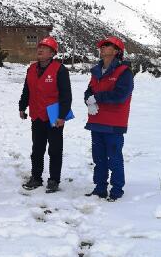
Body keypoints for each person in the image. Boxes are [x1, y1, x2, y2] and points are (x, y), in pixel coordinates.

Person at [19, 37, 72, 193]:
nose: (40, 50)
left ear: (52, 53)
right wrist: (22, 106)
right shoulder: (31, 68)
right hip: (37, 115)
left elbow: (66, 96)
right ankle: (36, 177)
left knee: (55, 150)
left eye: (45, 48)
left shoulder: (60, 69)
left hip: (54, 116)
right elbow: (26, 90)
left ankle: (54, 180)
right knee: (37, 149)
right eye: (39, 47)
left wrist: (62, 116)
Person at [84, 36, 133, 202]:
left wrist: (96, 98)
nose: (102, 48)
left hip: (113, 124)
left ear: (117, 51)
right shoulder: (96, 71)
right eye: (102, 45)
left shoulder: (124, 72)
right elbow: (88, 91)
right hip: (96, 121)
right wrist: (88, 101)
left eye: (107, 45)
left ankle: (117, 190)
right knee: (98, 159)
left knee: (114, 158)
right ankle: (100, 188)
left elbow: (120, 95)